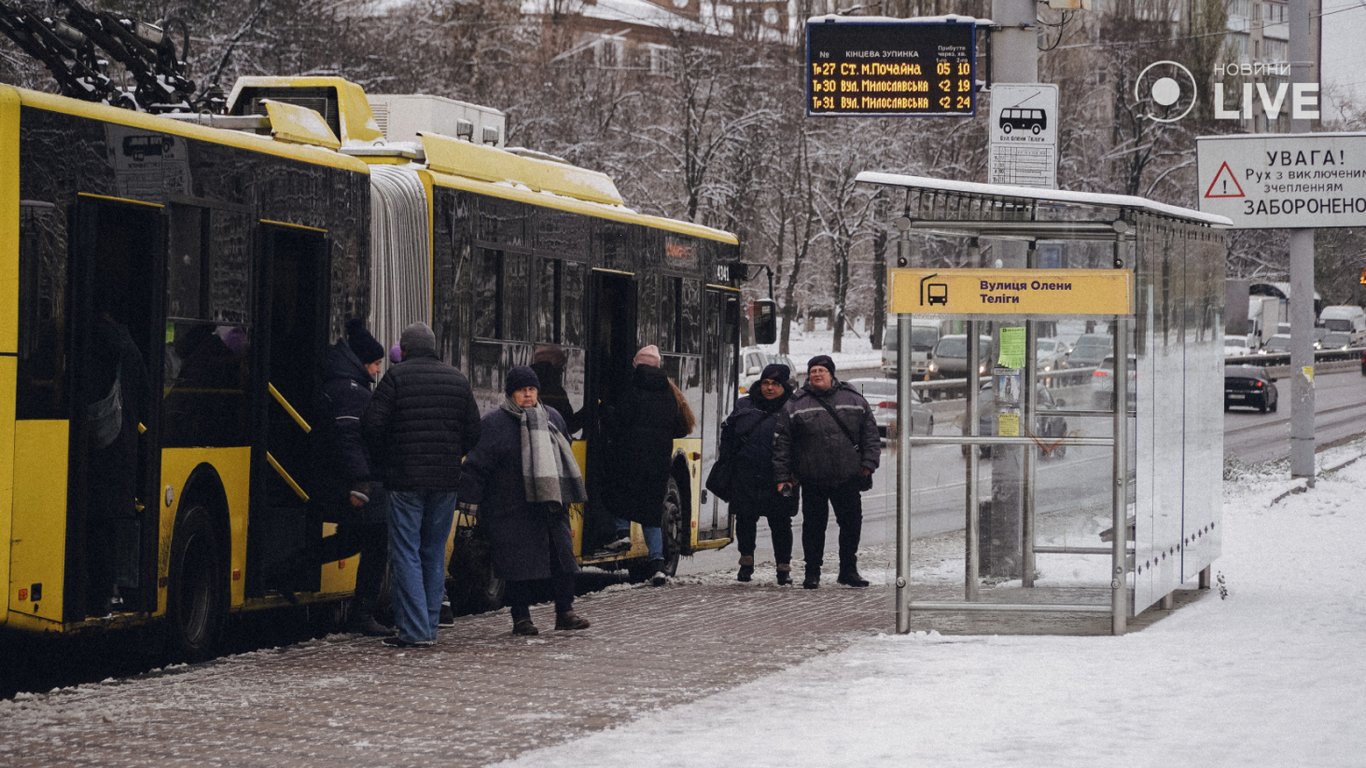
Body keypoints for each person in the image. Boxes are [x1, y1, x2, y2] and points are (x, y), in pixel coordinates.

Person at [362, 322, 481, 648]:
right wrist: (453, 453)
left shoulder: (396, 378)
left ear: (406, 347)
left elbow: (372, 425)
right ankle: (428, 625)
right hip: (445, 482)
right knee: (432, 551)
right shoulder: (457, 379)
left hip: (404, 480)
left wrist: (387, 458)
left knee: (406, 552)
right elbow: (474, 431)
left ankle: (415, 631)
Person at [457, 365, 590, 636]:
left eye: (531, 389)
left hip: (550, 505)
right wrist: (469, 501)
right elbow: (477, 464)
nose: (528, 395)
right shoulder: (494, 424)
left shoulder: (552, 417)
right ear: (510, 393)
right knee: (517, 566)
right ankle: (522, 618)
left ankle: (565, 612)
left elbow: (565, 451)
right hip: (509, 506)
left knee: (563, 559)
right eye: (521, 390)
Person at [773, 355, 880, 590]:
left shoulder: (853, 399)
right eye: (813, 371)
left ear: (832, 374)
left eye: (821, 370)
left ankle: (848, 570)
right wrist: (783, 477)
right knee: (813, 527)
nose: (817, 375)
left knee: (851, 525)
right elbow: (783, 444)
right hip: (813, 478)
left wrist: (869, 463)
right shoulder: (795, 404)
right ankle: (812, 573)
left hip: (848, 476)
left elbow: (870, 435)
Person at [316, 319, 392, 636]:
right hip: (354, 484)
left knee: (354, 540)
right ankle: (362, 614)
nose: (376, 371)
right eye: (375, 364)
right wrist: (362, 480)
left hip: (343, 479)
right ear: (361, 361)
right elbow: (348, 438)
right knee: (375, 542)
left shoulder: (344, 383)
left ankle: (286, 571)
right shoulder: (350, 391)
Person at [601, 344, 690, 586]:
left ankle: (621, 535)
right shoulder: (670, 393)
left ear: (636, 365)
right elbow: (681, 425)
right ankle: (658, 565)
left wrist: (604, 412)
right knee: (652, 512)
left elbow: (618, 421)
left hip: (629, 458)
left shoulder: (631, 391)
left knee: (618, 493)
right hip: (659, 461)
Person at [83, 303, 148, 615]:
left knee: (95, 520)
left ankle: (98, 591)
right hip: (123, 444)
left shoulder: (90, 342)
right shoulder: (129, 346)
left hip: (99, 445)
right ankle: (110, 589)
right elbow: (146, 390)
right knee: (109, 522)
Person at [719, 363, 798, 585]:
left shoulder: (792, 407)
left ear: (784, 385)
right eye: (765, 383)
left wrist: (794, 472)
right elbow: (729, 434)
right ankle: (746, 562)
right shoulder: (745, 404)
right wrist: (729, 461)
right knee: (745, 519)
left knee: (780, 522)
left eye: (775, 384)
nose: (769, 388)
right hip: (746, 473)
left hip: (779, 475)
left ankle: (783, 567)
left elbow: (800, 442)